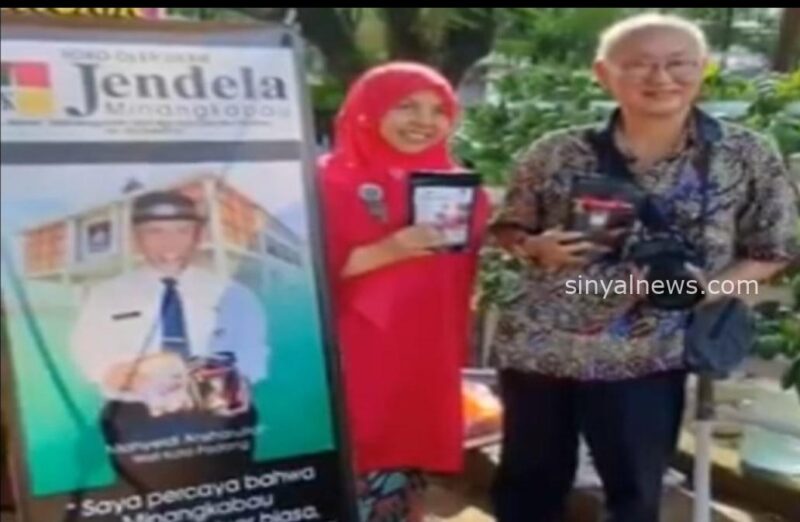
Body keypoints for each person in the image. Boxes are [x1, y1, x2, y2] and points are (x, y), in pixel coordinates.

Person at [488, 14, 798, 522]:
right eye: (639, 64)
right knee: (527, 488)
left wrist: (701, 290)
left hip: (650, 354)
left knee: (634, 496)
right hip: (542, 343)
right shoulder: (556, 151)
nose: (661, 77)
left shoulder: (745, 155)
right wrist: (534, 245)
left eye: (679, 63)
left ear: (704, 68)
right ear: (603, 73)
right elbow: (507, 228)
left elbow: (773, 250)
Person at [319, 62, 489, 522]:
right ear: (368, 110)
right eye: (406, 106)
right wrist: (391, 249)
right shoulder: (326, 182)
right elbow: (302, 275)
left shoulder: (457, 186)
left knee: (406, 463)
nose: (424, 121)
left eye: (439, 110)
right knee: (352, 455)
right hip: (351, 353)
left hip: (423, 352)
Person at [70, 190, 269, 489]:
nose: (169, 243)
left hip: (219, 417)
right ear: (137, 237)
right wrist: (130, 378)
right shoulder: (106, 295)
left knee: (229, 496)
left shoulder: (234, 294)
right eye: (155, 232)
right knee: (149, 503)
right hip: (137, 421)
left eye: (182, 231)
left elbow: (254, 353)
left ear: (198, 235)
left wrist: (235, 381)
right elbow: (88, 354)